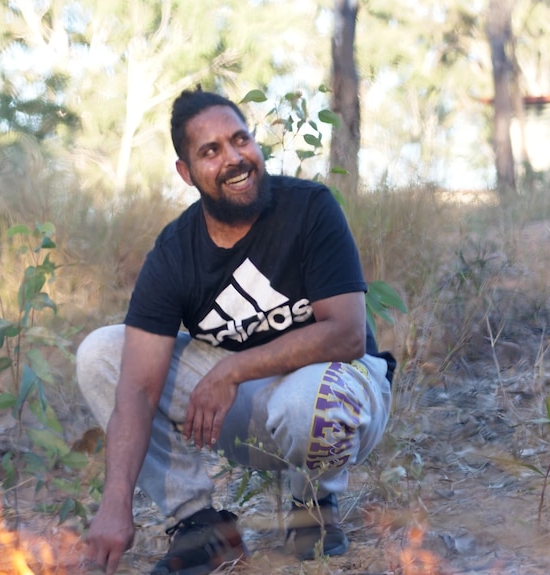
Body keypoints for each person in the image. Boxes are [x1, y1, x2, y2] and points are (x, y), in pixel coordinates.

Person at [75, 87, 395, 575]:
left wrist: (231, 370)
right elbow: (138, 389)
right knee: (101, 353)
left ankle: (313, 505)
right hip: (248, 408)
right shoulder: (175, 252)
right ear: (186, 174)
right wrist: (114, 505)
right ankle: (202, 527)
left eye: (240, 139)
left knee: (311, 402)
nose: (234, 158)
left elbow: (347, 335)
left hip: (339, 384)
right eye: (211, 151)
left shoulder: (309, 208)